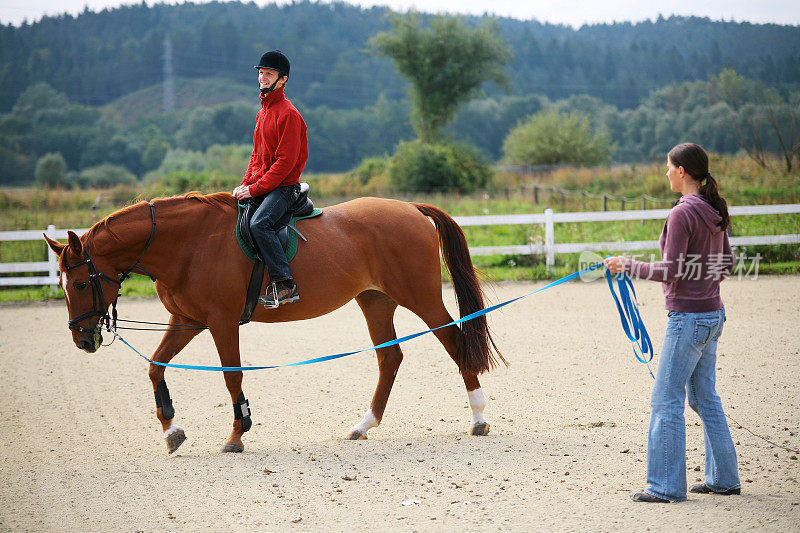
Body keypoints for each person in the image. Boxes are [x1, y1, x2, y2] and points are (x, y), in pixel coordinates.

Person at [605, 143, 740, 503]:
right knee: (704, 397)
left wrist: (626, 265)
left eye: (668, 166)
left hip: (689, 319)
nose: (665, 172)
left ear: (682, 171)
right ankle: (724, 478)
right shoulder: (713, 209)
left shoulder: (683, 213)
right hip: (713, 314)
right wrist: (704, 284)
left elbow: (673, 270)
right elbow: (726, 264)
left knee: (666, 399)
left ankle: (665, 486)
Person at [233, 50, 308, 308]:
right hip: (264, 185)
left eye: (269, 74)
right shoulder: (262, 113)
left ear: (282, 79)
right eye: (261, 73)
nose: (263, 78)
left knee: (259, 224)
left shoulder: (289, 114)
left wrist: (254, 189)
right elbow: (256, 155)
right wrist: (245, 184)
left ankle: (285, 284)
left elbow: (284, 164)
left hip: (285, 187)